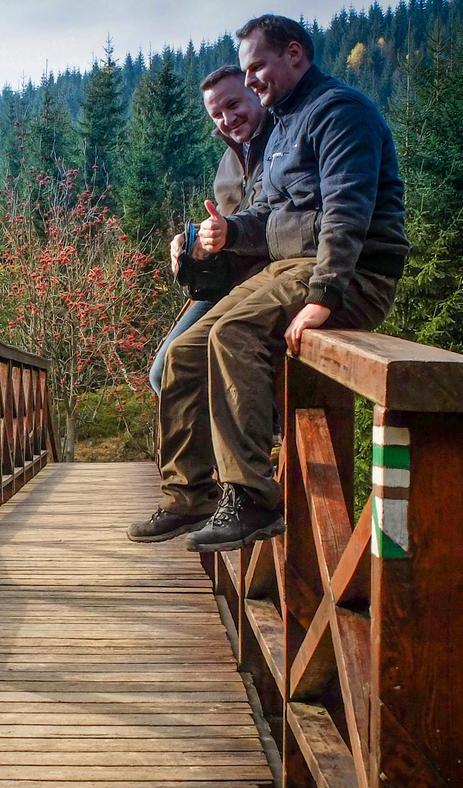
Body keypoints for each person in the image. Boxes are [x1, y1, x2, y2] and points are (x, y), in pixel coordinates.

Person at [130, 14, 408, 552]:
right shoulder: (283, 127)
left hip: (348, 273)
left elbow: (347, 213)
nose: (251, 81)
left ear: (295, 54)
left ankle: (253, 499)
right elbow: (265, 217)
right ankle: (190, 494)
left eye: (257, 67)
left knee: (230, 332)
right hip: (288, 269)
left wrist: (325, 298)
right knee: (185, 351)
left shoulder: (340, 113)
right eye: (245, 70)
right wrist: (224, 231)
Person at [149, 65, 272, 397]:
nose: (227, 120)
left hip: (267, 284)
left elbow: (271, 222)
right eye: (216, 114)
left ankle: (245, 445)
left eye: (234, 106)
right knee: (163, 373)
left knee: (184, 371)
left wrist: (222, 234)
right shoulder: (229, 159)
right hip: (227, 283)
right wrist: (189, 242)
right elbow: (221, 220)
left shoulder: (281, 146)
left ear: (257, 94)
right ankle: (211, 449)